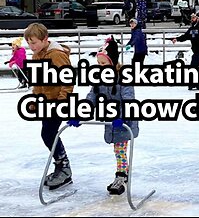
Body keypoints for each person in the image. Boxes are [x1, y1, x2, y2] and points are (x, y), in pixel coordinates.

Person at [68, 37, 139, 195]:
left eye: (104, 64)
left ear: (113, 63)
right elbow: (92, 97)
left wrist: (122, 116)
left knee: (120, 150)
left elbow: (129, 100)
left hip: (123, 121)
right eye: (98, 64)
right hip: (110, 120)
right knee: (117, 150)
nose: (100, 67)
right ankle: (122, 174)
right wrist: (80, 113)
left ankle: (121, 176)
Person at [24, 23, 74, 190]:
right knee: (47, 133)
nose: (31, 47)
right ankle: (62, 165)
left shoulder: (56, 55)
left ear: (45, 39)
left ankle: (64, 167)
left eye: (34, 43)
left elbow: (67, 80)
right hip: (46, 103)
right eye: (29, 43)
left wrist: (62, 101)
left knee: (48, 133)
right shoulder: (36, 56)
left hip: (58, 102)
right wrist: (34, 100)